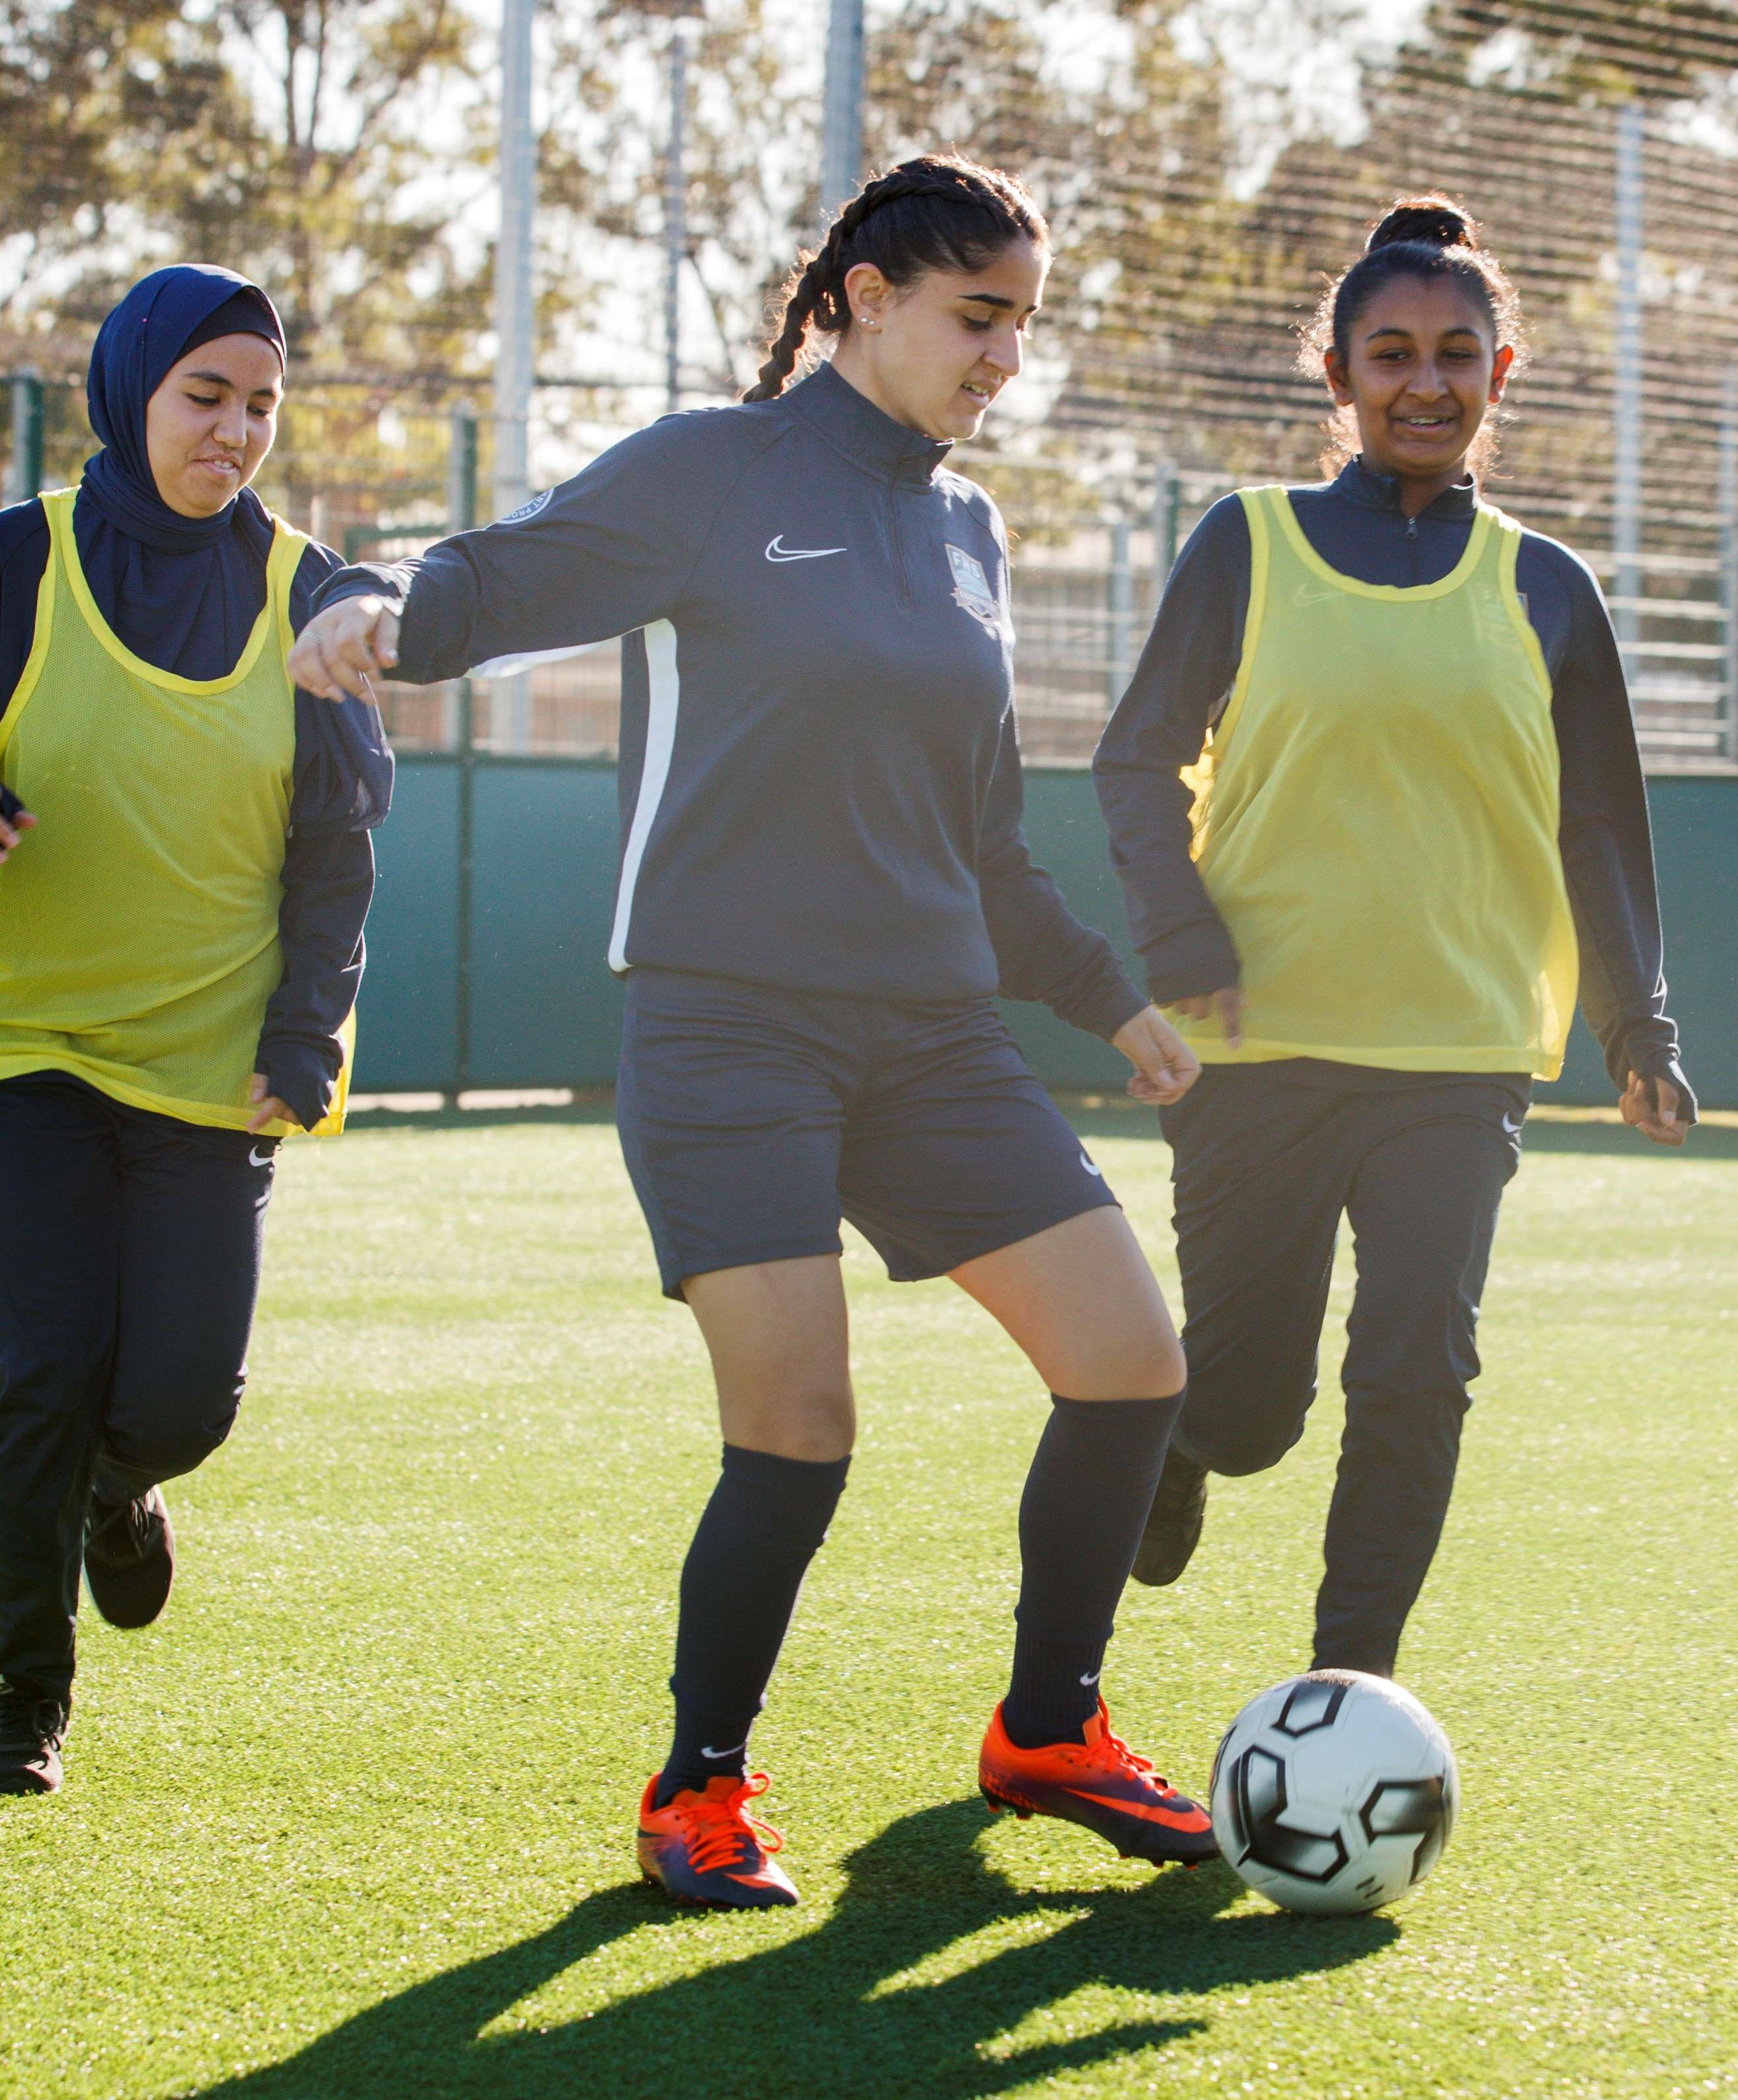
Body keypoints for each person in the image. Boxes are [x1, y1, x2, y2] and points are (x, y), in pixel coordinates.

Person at [288, 155, 1216, 1912]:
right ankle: (698, 1783)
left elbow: (988, 838)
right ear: (866, 298)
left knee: (1133, 1365)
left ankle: (1049, 1730)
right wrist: (386, 604)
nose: (1006, 355)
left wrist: (1109, 1001)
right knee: (799, 1423)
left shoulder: (969, 530)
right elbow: (513, 570)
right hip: (732, 1033)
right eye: (978, 315)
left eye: (1023, 320)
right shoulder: (717, 471)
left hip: (936, 1036)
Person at [1091, 196, 1690, 1681]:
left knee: (1416, 1373)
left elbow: (1600, 828)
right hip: (1260, 1044)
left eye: (1456, 354)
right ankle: (1183, 1440)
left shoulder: (1548, 590)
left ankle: (1344, 1693)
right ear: (1338, 373)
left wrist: (1639, 1029)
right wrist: (1176, 934)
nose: (1425, 382)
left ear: (1501, 372)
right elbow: (1133, 755)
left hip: (1459, 1047)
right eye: (1391, 354)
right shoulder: (1248, 545)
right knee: (1250, 1407)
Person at [0, 264, 391, 1798]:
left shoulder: (309, 589)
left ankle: (116, 1489)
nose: (233, 433)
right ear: (130, 393)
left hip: (209, 1060)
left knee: (178, 1398)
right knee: (45, 1369)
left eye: (261, 407)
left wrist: (307, 1041)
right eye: (204, 398)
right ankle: (21, 1698)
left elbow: (339, 847)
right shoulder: (16, 560)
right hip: (16, 1035)